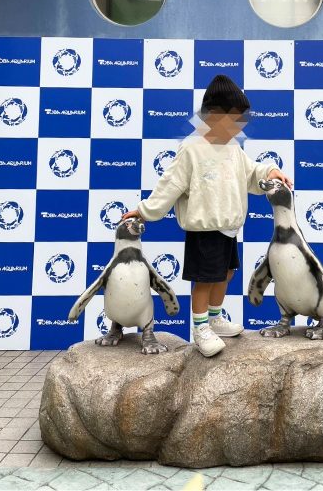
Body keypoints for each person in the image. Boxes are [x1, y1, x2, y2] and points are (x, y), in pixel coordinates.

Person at [122, 74, 292, 357]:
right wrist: (144, 211)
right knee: (205, 279)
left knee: (225, 273)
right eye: (234, 119)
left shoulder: (233, 147)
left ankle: (214, 318)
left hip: (229, 227)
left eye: (241, 120)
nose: (239, 126)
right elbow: (170, 185)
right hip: (204, 229)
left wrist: (270, 171)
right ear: (212, 115)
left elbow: (251, 172)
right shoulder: (191, 148)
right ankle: (200, 327)